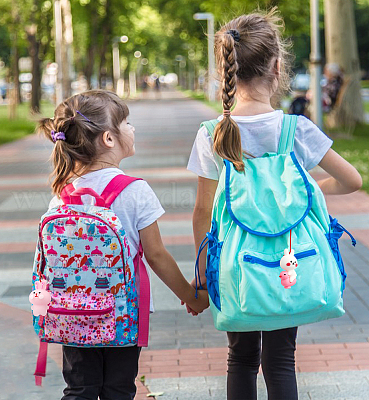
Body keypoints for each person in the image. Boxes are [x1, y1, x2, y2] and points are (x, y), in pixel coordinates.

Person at [186, 9, 362, 400]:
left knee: (240, 358)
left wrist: (202, 275)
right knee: (281, 361)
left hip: (235, 266)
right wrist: (307, 188)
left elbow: (201, 212)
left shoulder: (212, 133)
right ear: (277, 66)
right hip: (290, 262)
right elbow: (353, 180)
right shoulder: (295, 129)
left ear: (224, 68)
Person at [37, 89, 209, 400]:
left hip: (72, 313)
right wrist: (191, 295)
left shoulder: (62, 195)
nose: (132, 128)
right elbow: (156, 255)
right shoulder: (134, 191)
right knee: (118, 389)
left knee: (79, 389)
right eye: (126, 122)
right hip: (121, 314)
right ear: (109, 139)